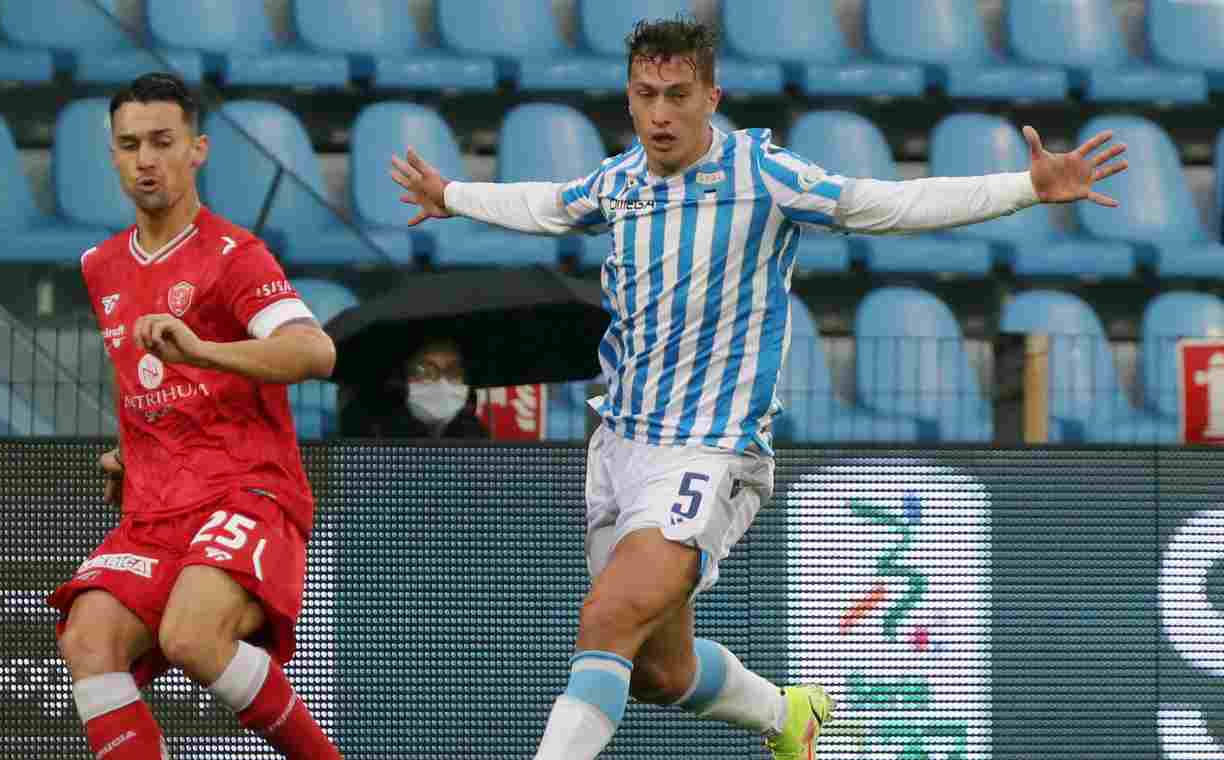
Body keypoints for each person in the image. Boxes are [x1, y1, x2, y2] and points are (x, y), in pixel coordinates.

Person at [391, 15, 1129, 760]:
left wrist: (1026, 188)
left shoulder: (764, 176)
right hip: (618, 447)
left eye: (678, 94)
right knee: (656, 670)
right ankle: (788, 716)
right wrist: (451, 194)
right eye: (645, 94)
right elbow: (545, 205)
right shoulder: (619, 184)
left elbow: (889, 204)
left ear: (712, 95)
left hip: (710, 452)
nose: (660, 113)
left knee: (607, 618)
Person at [47, 72, 342, 759]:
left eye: (162, 141)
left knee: (191, 634)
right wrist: (131, 451)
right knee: (87, 636)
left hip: (248, 490)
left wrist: (204, 350)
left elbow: (314, 350)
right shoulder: (101, 265)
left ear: (197, 150)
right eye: (129, 145)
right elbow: (138, 381)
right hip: (156, 509)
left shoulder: (236, 257)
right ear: (113, 156)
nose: (145, 159)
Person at [339, 337, 489, 439]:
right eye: (425, 371)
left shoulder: (477, 438)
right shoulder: (373, 435)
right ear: (403, 377)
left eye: (453, 371)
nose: (442, 382)